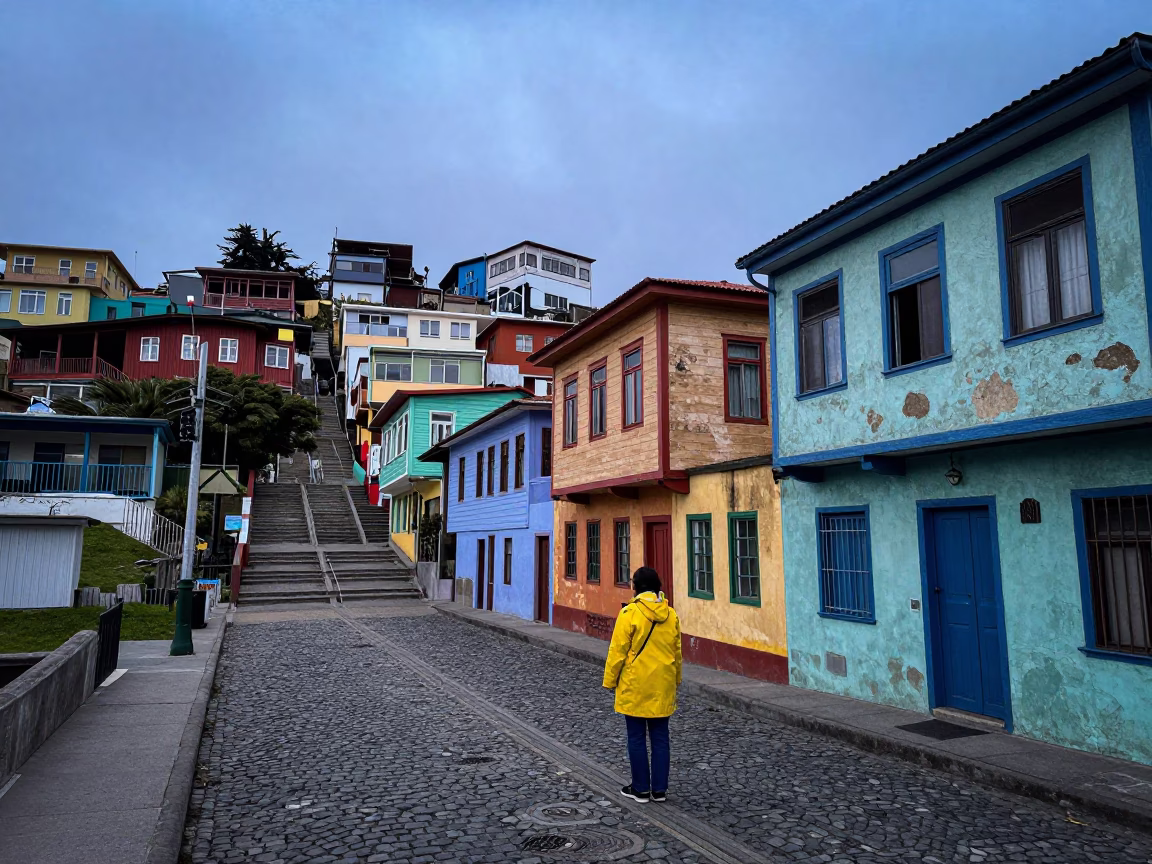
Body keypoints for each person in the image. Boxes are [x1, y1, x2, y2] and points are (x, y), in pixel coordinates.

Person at [602, 566, 682, 804]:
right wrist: (676, 678)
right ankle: (659, 790)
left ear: (635, 587)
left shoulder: (629, 614)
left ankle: (640, 788)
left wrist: (609, 680)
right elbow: (676, 652)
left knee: (636, 737)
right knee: (660, 737)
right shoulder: (671, 615)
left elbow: (617, 651)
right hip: (662, 684)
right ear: (658, 586)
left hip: (636, 683)